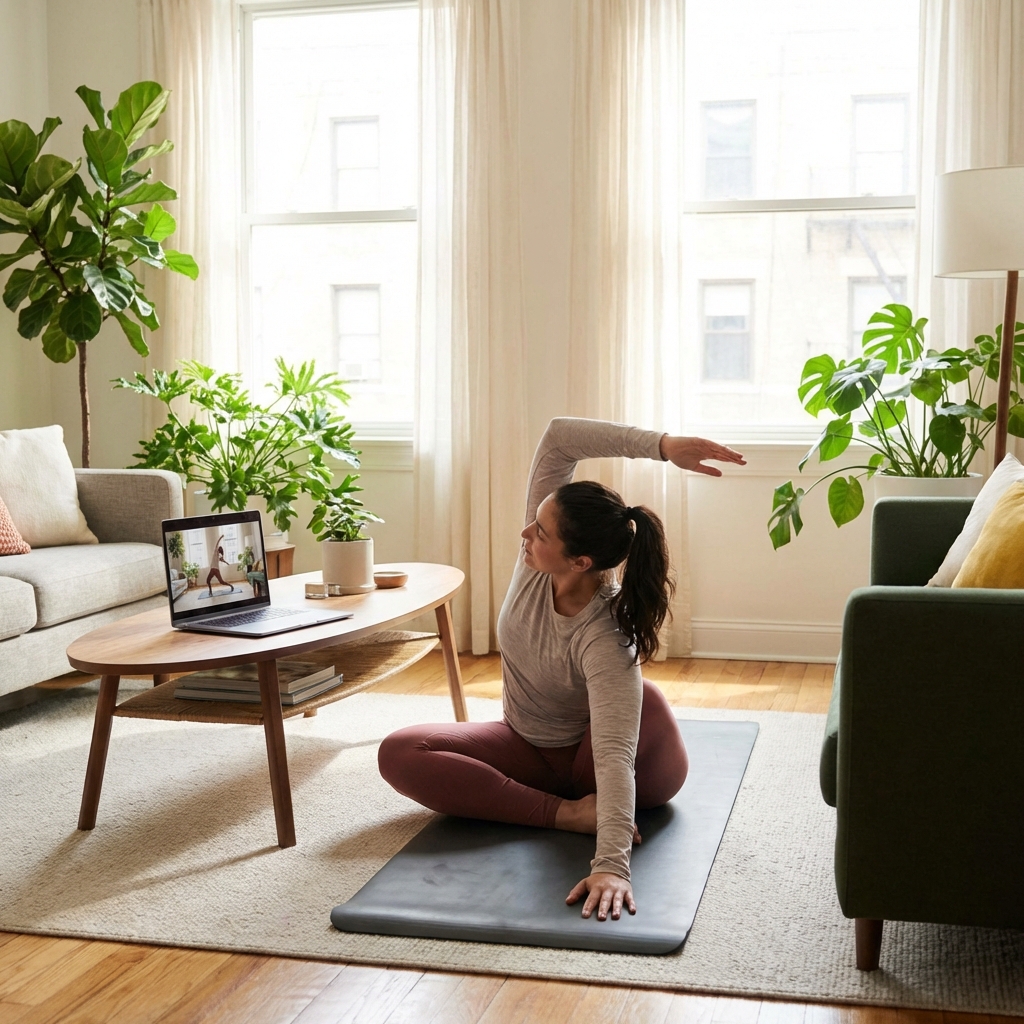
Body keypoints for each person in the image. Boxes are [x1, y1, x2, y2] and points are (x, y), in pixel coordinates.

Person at [378, 418, 745, 923]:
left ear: (580, 561)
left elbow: (615, 758)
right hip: (526, 744)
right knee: (400, 752)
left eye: (540, 531)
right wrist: (662, 446)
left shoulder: (604, 635)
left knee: (648, 700)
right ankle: (568, 812)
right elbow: (557, 436)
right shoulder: (535, 561)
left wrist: (612, 866)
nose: (525, 532)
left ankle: (584, 808)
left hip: (614, 759)